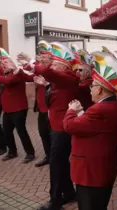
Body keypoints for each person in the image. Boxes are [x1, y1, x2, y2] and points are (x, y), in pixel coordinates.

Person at [63, 51, 117, 210]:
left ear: (99, 90)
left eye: (93, 86)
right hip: (100, 169)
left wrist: (71, 111)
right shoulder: (112, 106)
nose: (90, 89)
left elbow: (69, 126)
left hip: (90, 173)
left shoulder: (100, 110)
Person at [35, 42, 78, 210]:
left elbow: (45, 71)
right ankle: (68, 194)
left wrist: (36, 62)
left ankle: (55, 200)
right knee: (60, 162)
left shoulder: (68, 77)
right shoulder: (60, 79)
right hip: (56, 125)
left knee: (56, 163)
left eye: (54, 63)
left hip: (62, 127)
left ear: (63, 65)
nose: (51, 66)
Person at [0, 48, 35, 163]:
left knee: (21, 131)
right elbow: (0, 89)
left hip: (18, 108)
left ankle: (30, 153)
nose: (3, 66)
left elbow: (8, 82)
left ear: (12, 64)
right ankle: (12, 152)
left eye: (6, 63)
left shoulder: (16, 74)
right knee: (7, 132)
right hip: (7, 109)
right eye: (2, 64)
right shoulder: (4, 75)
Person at [16, 40, 52, 167]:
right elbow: (30, 77)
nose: (41, 59)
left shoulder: (51, 69)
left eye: (44, 57)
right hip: (42, 108)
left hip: (51, 109)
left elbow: (41, 71)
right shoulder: (42, 68)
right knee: (43, 133)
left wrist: (30, 60)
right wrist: (17, 70)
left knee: (53, 135)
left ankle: (55, 157)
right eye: (40, 57)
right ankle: (48, 156)